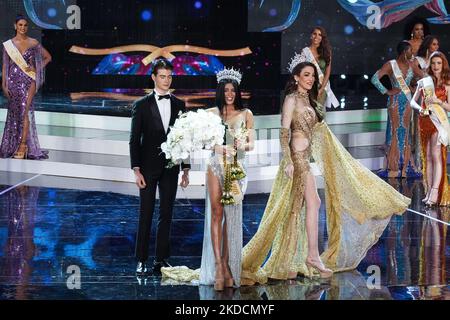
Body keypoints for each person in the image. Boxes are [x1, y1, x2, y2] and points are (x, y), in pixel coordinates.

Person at [240, 59, 411, 285]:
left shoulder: (308, 101)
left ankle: (295, 259)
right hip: (297, 161)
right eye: (306, 75)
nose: (310, 79)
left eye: (312, 76)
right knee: (304, 206)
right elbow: (284, 133)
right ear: (296, 78)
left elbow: (318, 132)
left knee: (302, 207)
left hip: (305, 160)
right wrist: (289, 160)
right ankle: (306, 257)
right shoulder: (291, 100)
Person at [160, 67, 255, 291]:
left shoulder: (246, 114)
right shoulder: (211, 113)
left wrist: (243, 145)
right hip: (215, 166)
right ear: (220, 91)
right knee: (216, 214)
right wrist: (218, 147)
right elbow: (201, 141)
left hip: (237, 168)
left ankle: (230, 266)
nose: (230, 94)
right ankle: (219, 267)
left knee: (231, 219)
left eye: (233, 90)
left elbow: (251, 143)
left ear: (237, 92)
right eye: (226, 90)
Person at [129, 58, 190, 275]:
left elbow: (185, 139)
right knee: (145, 214)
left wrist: (186, 169)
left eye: (169, 76)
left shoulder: (179, 104)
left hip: (171, 167)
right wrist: (136, 170)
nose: (166, 80)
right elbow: (134, 140)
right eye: (162, 76)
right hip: (146, 168)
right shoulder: (141, 105)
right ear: (154, 77)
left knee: (167, 213)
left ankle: (162, 259)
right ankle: (141, 259)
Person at [0, 14, 51, 159]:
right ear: (15, 26)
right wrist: (4, 84)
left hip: (29, 81)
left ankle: (23, 145)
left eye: (25, 25)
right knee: (15, 113)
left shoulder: (33, 42)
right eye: (20, 25)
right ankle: (15, 144)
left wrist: (36, 68)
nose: (23, 27)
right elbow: (5, 65)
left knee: (24, 111)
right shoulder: (8, 44)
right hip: (13, 81)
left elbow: (48, 57)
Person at [371, 41, 421, 178]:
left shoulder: (412, 65)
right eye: (411, 51)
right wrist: (387, 91)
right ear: (405, 52)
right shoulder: (390, 65)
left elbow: (424, 77)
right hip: (394, 101)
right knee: (394, 131)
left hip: (407, 102)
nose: (413, 53)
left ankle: (404, 167)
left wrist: (414, 88)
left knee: (405, 132)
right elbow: (375, 79)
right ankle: (393, 167)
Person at [410, 52, 450, 206]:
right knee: (427, 157)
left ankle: (435, 192)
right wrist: (420, 109)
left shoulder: (447, 84)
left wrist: (438, 102)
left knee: (436, 155)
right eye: (433, 63)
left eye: (439, 63)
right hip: (425, 121)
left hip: (439, 122)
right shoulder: (425, 82)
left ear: (443, 64)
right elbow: (415, 101)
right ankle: (428, 192)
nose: (436, 66)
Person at [296, 26, 339, 114]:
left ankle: (320, 127)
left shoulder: (327, 51)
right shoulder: (305, 51)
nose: (317, 37)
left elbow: (327, 72)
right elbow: (302, 72)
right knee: (309, 113)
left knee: (319, 112)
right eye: (314, 34)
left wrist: (321, 88)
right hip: (309, 87)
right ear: (311, 35)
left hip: (322, 85)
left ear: (322, 38)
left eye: (320, 35)